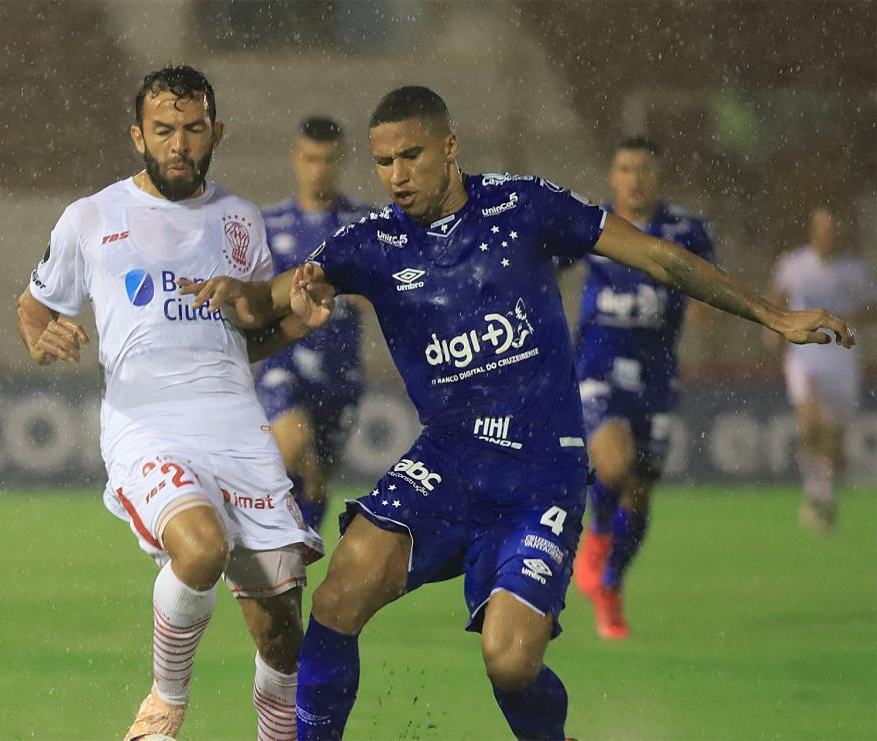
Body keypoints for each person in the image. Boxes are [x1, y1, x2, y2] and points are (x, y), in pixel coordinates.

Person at [180, 86, 854, 740]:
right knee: (336, 599)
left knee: (510, 660)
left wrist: (773, 314)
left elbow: (660, 258)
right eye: (383, 162)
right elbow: (268, 302)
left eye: (410, 156)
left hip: (538, 475)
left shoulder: (525, 206)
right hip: (447, 464)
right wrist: (243, 295)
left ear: (449, 148)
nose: (395, 176)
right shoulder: (372, 242)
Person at [14, 65, 323, 741]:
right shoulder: (90, 217)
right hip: (146, 426)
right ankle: (164, 704)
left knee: (281, 639)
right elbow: (34, 305)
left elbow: (246, 338)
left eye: (191, 129)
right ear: (137, 136)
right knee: (201, 548)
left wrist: (296, 318)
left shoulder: (241, 220)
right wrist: (43, 338)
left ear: (217, 132)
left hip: (238, 431)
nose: (177, 144)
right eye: (163, 131)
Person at [565, 136, 716, 640]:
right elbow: (546, 260)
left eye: (644, 169)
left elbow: (708, 282)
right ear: (612, 175)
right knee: (614, 464)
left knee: (641, 491)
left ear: (658, 176)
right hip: (597, 369)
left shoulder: (686, 230)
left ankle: (610, 585)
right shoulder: (594, 223)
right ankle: (599, 536)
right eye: (625, 168)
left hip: (655, 376)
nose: (635, 178)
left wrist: (702, 302)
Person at [257, 116, 371, 532]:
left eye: (327, 160)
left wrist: (375, 290)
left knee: (317, 483)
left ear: (340, 161)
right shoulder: (268, 225)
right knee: (292, 446)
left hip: (341, 373)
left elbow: (400, 282)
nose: (318, 169)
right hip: (283, 364)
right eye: (310, 159)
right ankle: (266, 542)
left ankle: (296, 557)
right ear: (295, 159)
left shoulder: (365, 223)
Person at [768, 207, 875, 533]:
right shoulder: (794, 264)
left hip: (841, 358)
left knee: (833, 437)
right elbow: (776, 298)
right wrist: (775, 329)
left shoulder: (853, 271)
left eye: (832, 229)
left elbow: (872, 308)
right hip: (805, 355)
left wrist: (851, 318)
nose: (826, 235)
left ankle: (822, 494)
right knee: (810, 422)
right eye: (821, 228)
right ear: (813, 231)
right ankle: (815, 494)